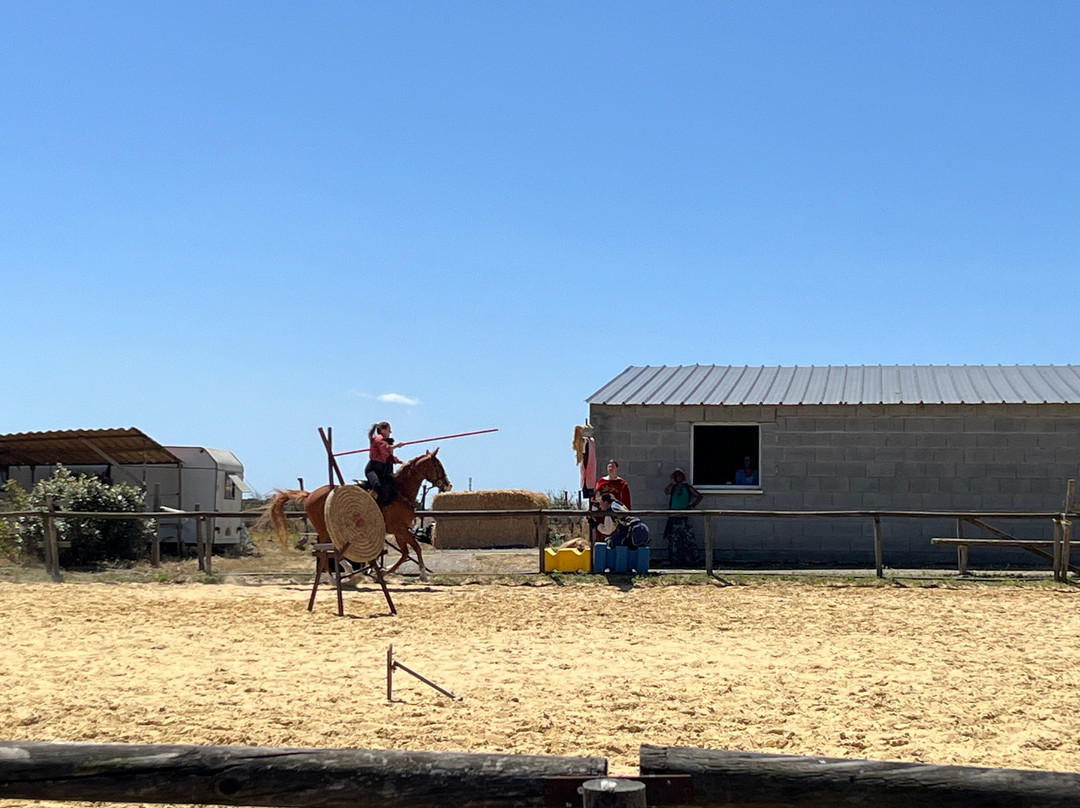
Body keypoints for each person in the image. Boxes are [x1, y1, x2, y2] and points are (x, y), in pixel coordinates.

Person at [663, 468, 702, 565]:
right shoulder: (673, 487)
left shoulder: (687, 487)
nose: (678, 477)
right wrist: (672, 483)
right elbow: (666, 491)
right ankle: (674, 559)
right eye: (676, 476)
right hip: (673, 516)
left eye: (680, 475)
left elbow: (699, 496)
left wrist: (692, 506)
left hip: (684, 516)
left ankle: (690, 559)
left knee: (687, 538)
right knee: (673, 539)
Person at [365, 421, 402, 507]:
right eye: (389, 430)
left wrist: (399, 461)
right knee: (377, 486)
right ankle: (370, 505)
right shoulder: (378, 438)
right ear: (382, 430)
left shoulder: (384, 441)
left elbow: (387, 456)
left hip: (382, 470)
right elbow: (384, 448)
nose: (390, 432)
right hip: (372, 469)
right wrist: (396, 446)